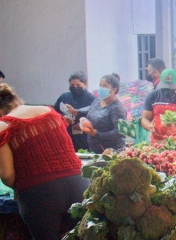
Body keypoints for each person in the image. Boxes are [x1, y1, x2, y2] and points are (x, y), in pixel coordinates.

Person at [0, 84, 88, 240]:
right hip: (79, 184)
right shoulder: (49, 112)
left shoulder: (3, 125)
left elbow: (7, 175)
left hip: (39, 193)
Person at [66, 74, 127, 154]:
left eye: (104, 86)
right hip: (95, 150)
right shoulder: (98, 101)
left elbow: (120, 132)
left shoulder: (117, 109)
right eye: (100, 85)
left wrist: (96, 134)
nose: (101, 88)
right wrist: (76, 111)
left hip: (112, 153)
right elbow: (90, 109)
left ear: (114, 90)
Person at [54, 71, 97, 151]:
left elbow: (96, 118)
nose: (75, 87)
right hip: (67, 136)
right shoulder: (64, 97)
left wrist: (84, 123)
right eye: (72, 85)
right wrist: (63, 117)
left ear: (85, 84)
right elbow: (54, 112)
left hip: (85, 138)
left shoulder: (92, 99)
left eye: (78, 85)